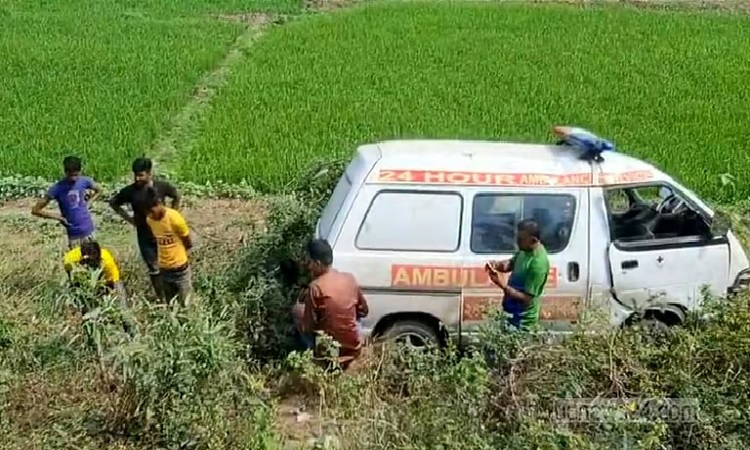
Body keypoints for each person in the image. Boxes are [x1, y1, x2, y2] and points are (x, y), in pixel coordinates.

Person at [109, 157, 181, 298]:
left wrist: (173, 215)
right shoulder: (131, 191)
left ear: (149, 174)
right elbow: (114, 203)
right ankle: (162, 299)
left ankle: (174, 295)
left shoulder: (161, 187)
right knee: (154, 268)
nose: (137, 178)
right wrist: (130, 219)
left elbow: (176, 196)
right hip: (144, 235)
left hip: (163, 234)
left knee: (169, 266)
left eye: (141, 175)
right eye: (135, 175)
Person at [294, 239, 369, 369]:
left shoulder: (316, 287)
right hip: (354, 347)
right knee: (355, 315)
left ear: (317, 263)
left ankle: (312, 354)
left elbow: (308, 326)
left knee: (296, 311)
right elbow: (364, 311)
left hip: (329, 349)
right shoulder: (349, 278)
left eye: (310, 263)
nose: (309, 267)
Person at [485, 219, 550, 331]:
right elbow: (511, 264)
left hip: (523, 322)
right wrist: (497, 265)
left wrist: (502, 285)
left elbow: (527, 299)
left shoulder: (538, 264)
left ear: (533, 240)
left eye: (520, 239)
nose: (517, 242)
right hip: (510, 314)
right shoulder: (525, 250)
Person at [32, 156, 101, 249]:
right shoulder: (57, 188)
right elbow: (36, 210)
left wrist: (89, 203)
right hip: (74, 235)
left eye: (76, 175)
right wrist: (59, 218)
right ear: (65, 172)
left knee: (94, 259)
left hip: (89, 230)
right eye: (71, 175)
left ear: (80, 171)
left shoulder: (84, 181)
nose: (73, 178)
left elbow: (99, 190)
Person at [144, 187, 193, 306]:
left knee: (186, 304)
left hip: (180, 269)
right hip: (164, 268)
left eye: (152, 210)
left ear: (160, 204)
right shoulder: (150, 220)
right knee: (170, 304)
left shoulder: (174, 218)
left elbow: (187, 241)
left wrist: (179, 255)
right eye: (148, 212)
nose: (151, 215)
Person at [64, 240, 127, 305]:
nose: (87, 264)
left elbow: (114, 281)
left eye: (91, 261)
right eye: (86, 261)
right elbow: (68, 274)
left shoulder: (107, 262)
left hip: (103, 279)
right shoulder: (71, 258)